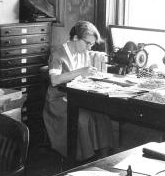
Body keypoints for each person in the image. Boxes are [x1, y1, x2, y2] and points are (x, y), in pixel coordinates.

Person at [43, 21, 114, 161]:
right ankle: (83, 161)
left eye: (92, 45)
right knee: (82, 119)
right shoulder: (58, 53)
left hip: (77, 97)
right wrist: (81, 71)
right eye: (87, 43)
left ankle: (104, 159)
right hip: (59, 100)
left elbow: (81, 78)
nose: (89, 48)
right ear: (75, 38)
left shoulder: (83, 53)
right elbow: (55, 80)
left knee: (102, 116)